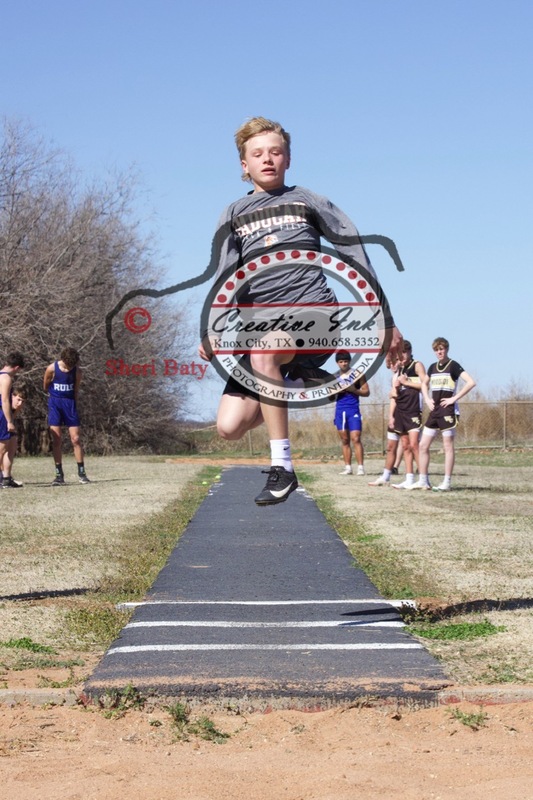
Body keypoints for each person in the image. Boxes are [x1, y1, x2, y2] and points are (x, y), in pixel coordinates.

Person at [198, 116, 403, 505]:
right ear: (244, 165)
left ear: (288, 158)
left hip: (314, 318)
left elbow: (353, 250)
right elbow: (224, 274)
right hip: (260, 328)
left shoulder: (307, 201)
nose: (267, 159)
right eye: (257, 154)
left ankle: (283, 468)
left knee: (265, 352)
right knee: (228, 427)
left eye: (276, 152)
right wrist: (209, 328)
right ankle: (294, 382)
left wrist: (384, 319)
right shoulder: (233, 214)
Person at [407, 337, 476, 492]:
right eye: (437, 350)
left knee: (447, 446)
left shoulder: (453, 366)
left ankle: (447, 482)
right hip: (434, 410)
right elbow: (424, 384)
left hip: (448, 410)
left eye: (442, 349)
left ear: (446, 349)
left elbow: (471, 382)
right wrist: (427, 399)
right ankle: (423, 480)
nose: (439, 352)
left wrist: (454, 398)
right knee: (423, 445)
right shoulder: (432, 367)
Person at [368, 340, 425, 488]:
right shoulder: (399, 371)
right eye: (400, 353)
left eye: (405, 352)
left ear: (410, 352)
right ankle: (409, 478)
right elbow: (394, 395)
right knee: (405, 445)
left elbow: (425, 384)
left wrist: (407, 383)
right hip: (401, 412)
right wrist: (391, 414)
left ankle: (424, 479)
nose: (403, 356)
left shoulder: (417, 365)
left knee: (414, 445)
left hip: (413, 411)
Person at [43, 347, 90, 486]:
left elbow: (76, 389)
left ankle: (82, 473)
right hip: (55, 404)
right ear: (63, 360)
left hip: (70, 404)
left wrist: (74, 405)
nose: (69, 367)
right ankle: (59, 475)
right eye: (67, 364)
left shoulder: (77, 372)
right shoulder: (52, 368)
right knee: (56, 440)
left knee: (76, 439)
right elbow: (45, 385)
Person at [333, 351, 369, 475]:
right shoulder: (334, 377)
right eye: (341, 362)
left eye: (346, 361)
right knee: (344, 440)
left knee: (356, 438)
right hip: (340, 410)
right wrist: (336, 391)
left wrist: (354, 390)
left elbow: (366, 392)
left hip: (353, 409)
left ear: (349, 361)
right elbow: (329, 397)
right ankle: (348, 467)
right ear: (337, 363)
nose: (343, 364)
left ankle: (360, 467)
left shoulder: (357, 374)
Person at [0, 352, 25, 489]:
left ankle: (6, 479)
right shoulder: (6, 378)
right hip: (2, 414)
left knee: (8, 447)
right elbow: (4, 400)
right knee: (2, 448)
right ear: (16, 367)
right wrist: (9, 420)